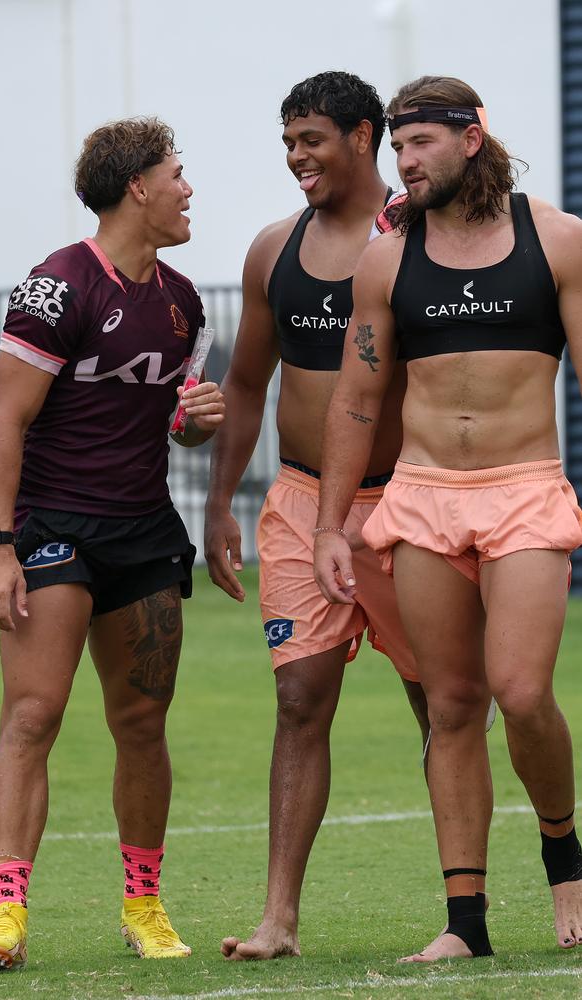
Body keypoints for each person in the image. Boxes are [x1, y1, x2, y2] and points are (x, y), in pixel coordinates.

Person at [314, 75, 582, 962]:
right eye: (396, 148)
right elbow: (356, 400)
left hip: (526, 490)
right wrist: (327, 528)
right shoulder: (388, 258)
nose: (404, 162)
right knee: (454, 705)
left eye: (419, 144)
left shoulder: (559, 240)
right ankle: (465, 923)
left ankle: (563, 856)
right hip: (423, 497)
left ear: (472, 139)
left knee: (521, 689)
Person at [0, 116, 225, 970]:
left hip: (145, 533)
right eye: (178, 175)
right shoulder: (58, 285)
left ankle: (144, 905)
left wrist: (195, 425)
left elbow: (178, 432)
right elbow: (6, 421)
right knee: (33, 714)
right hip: (53, 530)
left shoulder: (184, 302)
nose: (191, 190)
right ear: (137, 187)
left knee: (143, 723)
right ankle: (7, 912)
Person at [204, 71, 432, 962]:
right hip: (301, 502)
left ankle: (470, 903)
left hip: (407, 502)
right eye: (289, 141)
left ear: (365, 135)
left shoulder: (425, 238)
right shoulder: (274, 249)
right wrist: (222, 503)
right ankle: (278, 919)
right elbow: (247, 385)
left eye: (313, 140)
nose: (297, 157)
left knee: (444, 704)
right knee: (299, 699)